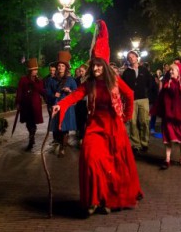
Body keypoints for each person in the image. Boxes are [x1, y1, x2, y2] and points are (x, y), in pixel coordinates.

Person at [51, 20, 143, 215]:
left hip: (113, 126)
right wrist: (61, 105)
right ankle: (93, 198)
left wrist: (125, 116)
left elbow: (129, 95)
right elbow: (75, 96)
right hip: (94, 125)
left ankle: (107, 199)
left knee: (111, 164)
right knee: (90, 158)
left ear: (104, 65)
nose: (96, 69)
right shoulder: (90, 82)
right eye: (94, 65)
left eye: (99, 65)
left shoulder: (114, 80)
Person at [151, 63, 181, 169]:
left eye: (173, 70)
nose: (170, 72)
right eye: (170, 70)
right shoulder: (166, 83)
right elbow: (160, 99)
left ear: (179, 71)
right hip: (169, 116)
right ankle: (167, 159)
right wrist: (155, 110)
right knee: (168, 137)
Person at [121, 50, 154, 154]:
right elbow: (123, 86)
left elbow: (151, 83)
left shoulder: (144, 70)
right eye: (129, 57)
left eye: (133, 56)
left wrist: (147, 93)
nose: (131, 58)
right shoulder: (126, 72)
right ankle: (136, 143)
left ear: (137, 57)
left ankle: (144, 142)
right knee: (133, 122)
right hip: (131, 100)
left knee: (144, 121)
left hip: (143, 99)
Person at [46, 51, 77, 157]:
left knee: (64, 127)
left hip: (67, 107)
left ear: (65, 68)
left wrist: (69, 91)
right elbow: (48, 93)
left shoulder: (71, 80)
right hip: (56, 105)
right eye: (59, 66)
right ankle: (59, 143)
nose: (60, 67)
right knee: (57, 128)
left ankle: (63, 148)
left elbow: (77, 93)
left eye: (62, 66)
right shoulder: (51, 80)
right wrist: (54, 95)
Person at [15, 58, 47, 151]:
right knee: (29, 123)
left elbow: (41, 91)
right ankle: (31, 136)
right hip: (26, 105)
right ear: (30, 70)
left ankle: (31, 138)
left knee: (32, 122)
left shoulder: (39, 80)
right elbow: (19, 91)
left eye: (36, 69)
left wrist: (36, 82)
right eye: (34, 70)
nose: (35, 71)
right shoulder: (23, 79)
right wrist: (18, 102)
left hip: (35, 105)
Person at [74, 64, 88, 145]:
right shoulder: (77, 79)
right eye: (80, 71)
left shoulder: (89, 80)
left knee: (87, 119)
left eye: (82, 71)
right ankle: (81, 135)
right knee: (80, 119)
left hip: (87, 101)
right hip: (80, 102)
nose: (81, 72)